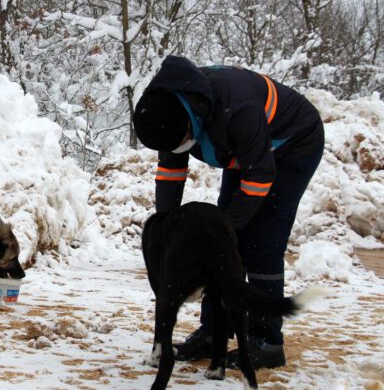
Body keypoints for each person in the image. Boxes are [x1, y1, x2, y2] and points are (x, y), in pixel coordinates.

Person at [133, 55, 325, 369]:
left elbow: (260, 176)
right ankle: (213, 332)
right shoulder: (167, 109)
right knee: (219, 246)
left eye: (182, 144)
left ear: (190, 122)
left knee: (260, 240)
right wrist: (167, 233)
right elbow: (170, 174)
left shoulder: (237, 110)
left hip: (293, 145)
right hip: (244, 151)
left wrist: (222, 230)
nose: (178, 151)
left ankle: (267, 340)